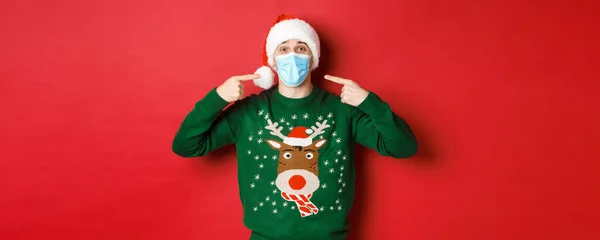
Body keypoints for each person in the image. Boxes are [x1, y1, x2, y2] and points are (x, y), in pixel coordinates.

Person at [172, 14, 418, 240]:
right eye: (284, 49)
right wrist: (217, 98)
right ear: (273, 61)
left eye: (301, 48)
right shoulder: (249, 112)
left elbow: (403, 147)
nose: (292, 55)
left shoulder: (342, 111)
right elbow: (186, 145)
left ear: (313, 58)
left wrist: (368, 102)